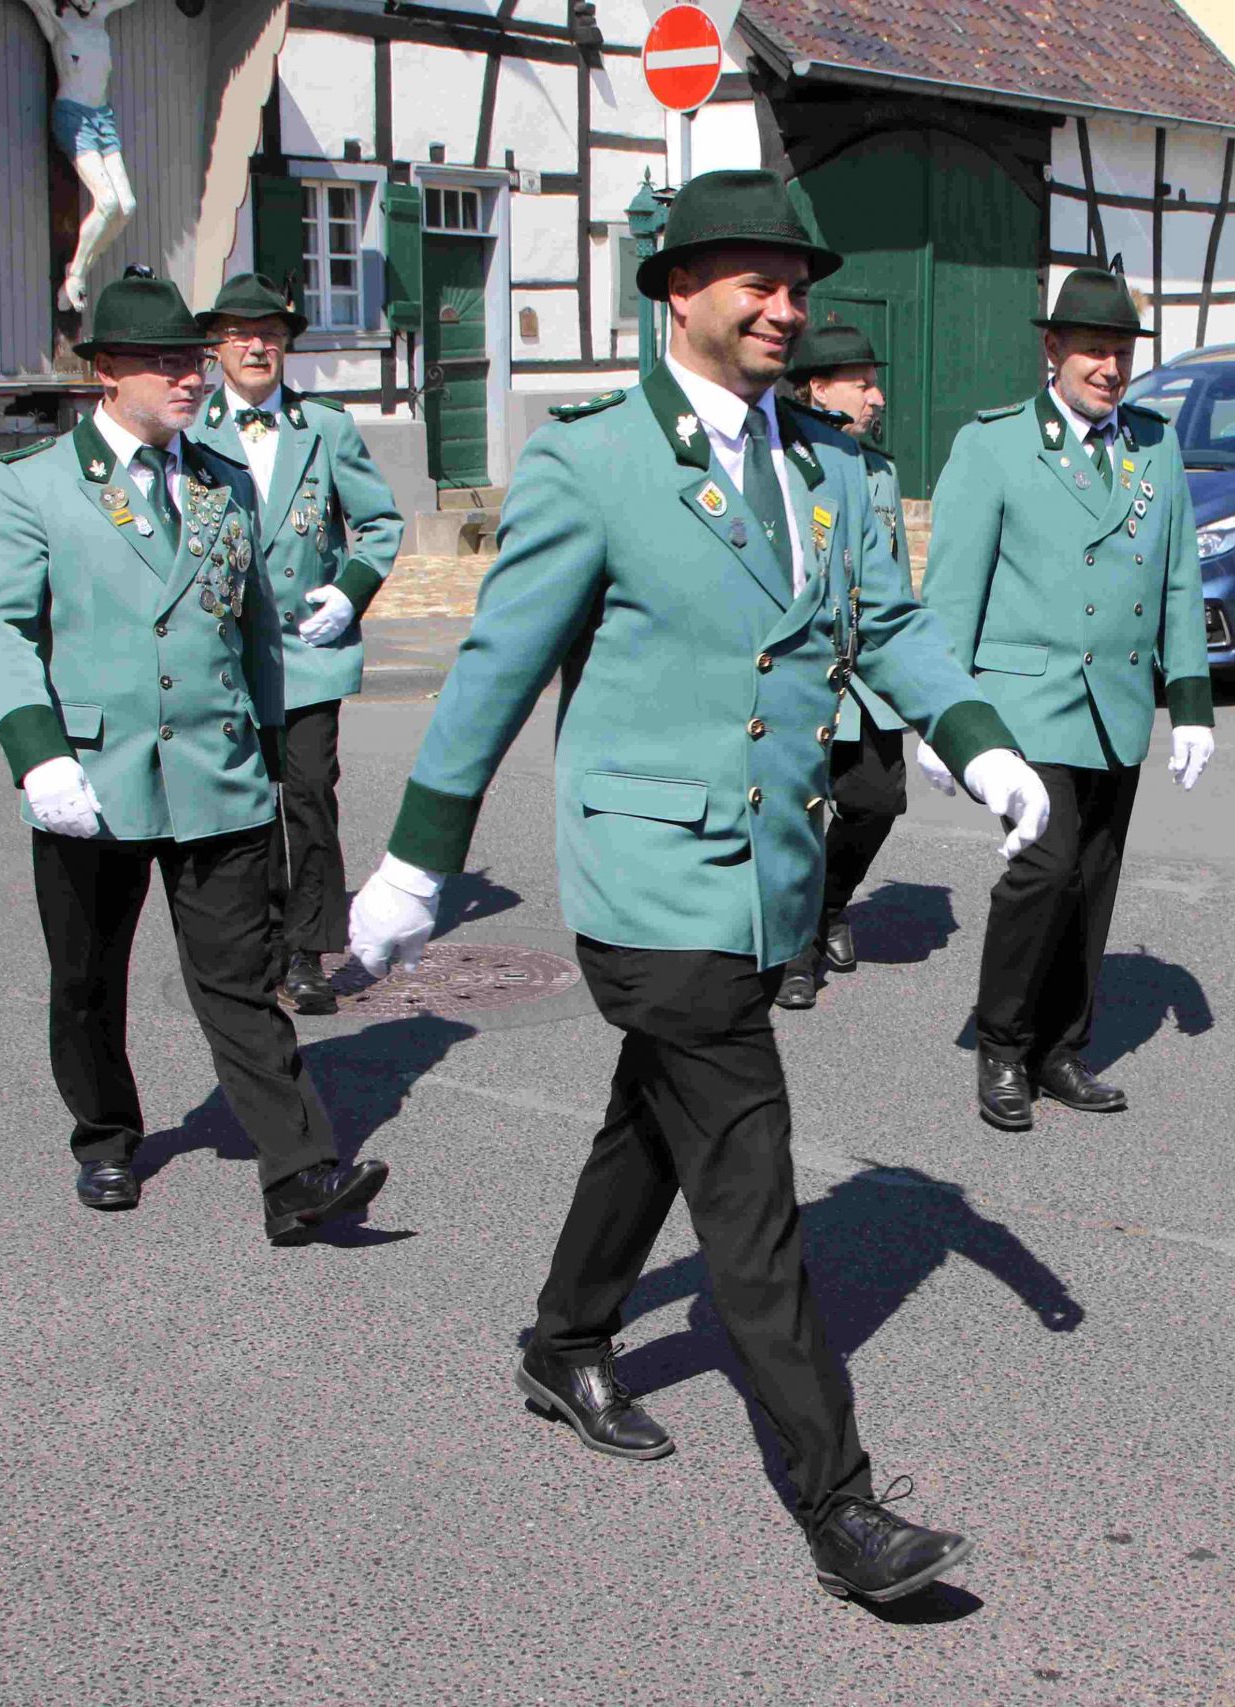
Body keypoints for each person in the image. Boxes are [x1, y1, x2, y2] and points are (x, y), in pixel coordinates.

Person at [342, 170, 1050, 1604]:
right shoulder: (594, 463)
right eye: (756, 283)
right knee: (747, 1175)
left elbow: (890, 624)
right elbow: (496, 669)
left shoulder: (829, 467)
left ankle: (564, 1338)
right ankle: (840, 1504)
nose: (785, 307)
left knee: (651, 1120)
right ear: (678, 292)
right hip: (649, 876)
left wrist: (980, 742)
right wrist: (417, 856)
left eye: (797, 287)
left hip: (765, 876)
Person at [0, 269, 391, 1245]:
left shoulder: (221, 479)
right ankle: (106, 1135)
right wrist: (37, 754)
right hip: (91, 779)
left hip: (216, 772)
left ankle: (298, 1172)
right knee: (87, 978)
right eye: (165, 362)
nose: (192, 377)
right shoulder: (34, 485)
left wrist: (271, 750)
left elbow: (253, 632)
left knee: (240, 980)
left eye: (192, 359)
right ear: (107, 374)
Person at [919, 267, 1216, 1131]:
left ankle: (1060, 1048)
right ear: (1052, 349)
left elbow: (1178, 580)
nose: (1110, 367)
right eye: (1092, 348)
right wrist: (942, 717)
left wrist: (1191, 704)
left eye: (1121, 351)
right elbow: (953, 589)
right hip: (1025, 703)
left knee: (1091, 882)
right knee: (1043, 871)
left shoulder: (1154, 445)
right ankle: (1003, 1044)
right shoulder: (996, 444)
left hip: (1116, 701)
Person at [193, 273, 406, 1016]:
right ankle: (258, 942)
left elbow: (379, 523)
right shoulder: (190, 430)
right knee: (246, 804)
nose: (256, 347)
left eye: (271, 335)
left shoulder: (325, 427)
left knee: (310, 797)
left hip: (308, 652)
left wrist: (349, 592)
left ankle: (308, 951)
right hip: (223, 655)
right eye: (240, 334)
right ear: (216, 347)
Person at [774, 322, 908, 1010]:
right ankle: (794, 948)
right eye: (862, 384)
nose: (876, 397)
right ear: (817, 388)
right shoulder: (782, 465)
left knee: (877, 799)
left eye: (874, 383)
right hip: (800, 670)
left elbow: (895, 583)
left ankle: (829, 901)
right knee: (794, 811)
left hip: (864, 676)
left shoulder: (879, 471)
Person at [17, 0, 149, 312]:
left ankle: (80, 267)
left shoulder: (99, 14)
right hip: (74, 117)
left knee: (127, 206)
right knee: (108, 202)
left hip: (103, 117)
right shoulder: (57, 19)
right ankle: (76, 276)